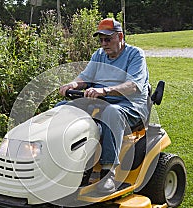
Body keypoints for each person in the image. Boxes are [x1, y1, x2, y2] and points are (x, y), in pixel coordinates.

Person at [59, 18, 150, 193]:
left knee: (110, 113)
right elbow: (85, 78)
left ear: (120, 36)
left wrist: (105, 91)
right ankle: (62, 160)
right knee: (62, 108)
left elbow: (133, 86)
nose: (103, 44)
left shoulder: (135, 55)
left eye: (108, 39)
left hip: (130, 105)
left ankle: (109, 172)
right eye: (101, 40)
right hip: (101, 102)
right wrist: (72, 85)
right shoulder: (99, 55)